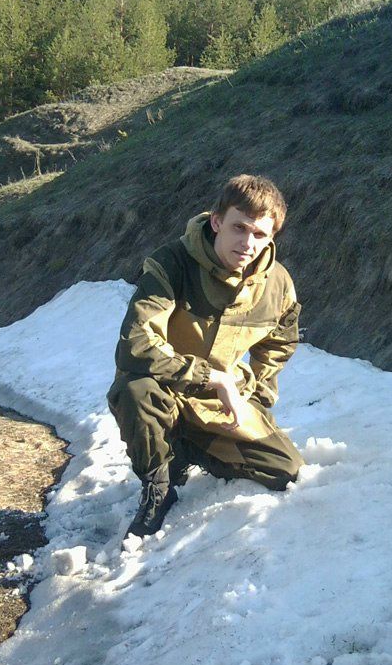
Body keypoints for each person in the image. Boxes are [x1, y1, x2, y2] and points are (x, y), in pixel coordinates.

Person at [107, 175, 305, 539]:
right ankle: (158, 484)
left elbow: (280, 343)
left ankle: (184, 447)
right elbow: (136, 344)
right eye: (238, 228)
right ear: (216, 222)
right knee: (136, 391)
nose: (247, 243)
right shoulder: (172, 264)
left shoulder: (278, 284)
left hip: (215, 400)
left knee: (284, 468)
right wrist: (214, 377)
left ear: (272, 237)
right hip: (163, 386)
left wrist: (256, 395)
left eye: (260, 235)